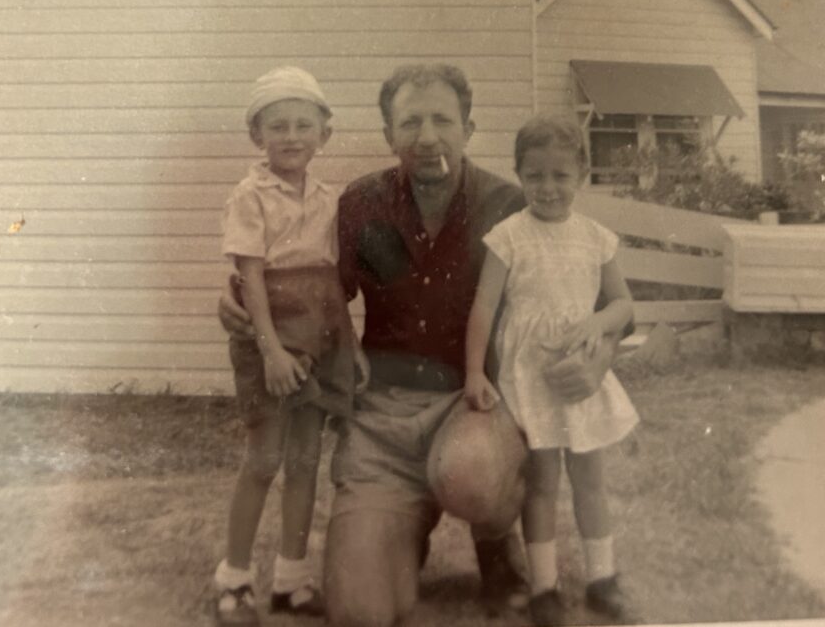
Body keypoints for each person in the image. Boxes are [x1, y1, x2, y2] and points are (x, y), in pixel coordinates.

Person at [219, 64, 625, 627]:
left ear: (469, 128)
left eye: (442, 120)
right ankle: (402, 539)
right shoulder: (359, 204)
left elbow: (589, 289)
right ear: (389, 136)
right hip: (382, 418)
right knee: (360, 609)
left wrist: (600, 351)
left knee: (474, 474)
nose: (427, 135)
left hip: (471, 405)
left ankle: (494, 545)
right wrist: (236, 299)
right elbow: (307, 277)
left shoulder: (511, 205)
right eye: (410, 122)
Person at [464, 115, 639, 626]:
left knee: (589, 478)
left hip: (579, 369)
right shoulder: (508, 236)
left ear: (581, 174)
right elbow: (483, 308)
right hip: (530, 375)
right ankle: (543, 587)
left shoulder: (595, 237)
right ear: (519, 174)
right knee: (541, 482)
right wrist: (475, 371)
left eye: (561, 176)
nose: (548, 188)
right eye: (535, 175)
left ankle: (603, 580)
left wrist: (600, 320)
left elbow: (624, 304)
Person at [212, 66, 364, 626]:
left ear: (323, 135)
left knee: (305, 460)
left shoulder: (328, 199)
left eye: (304, 125)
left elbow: (329, 285)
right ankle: (233, 579)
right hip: (270, 339)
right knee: (265, 459)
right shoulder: (249, 197)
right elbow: (251, 281)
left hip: (321, 338)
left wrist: (352, 346)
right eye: (278, 126)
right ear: (258, 136)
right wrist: (271, 351)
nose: (292, 136)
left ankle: (291, 579)